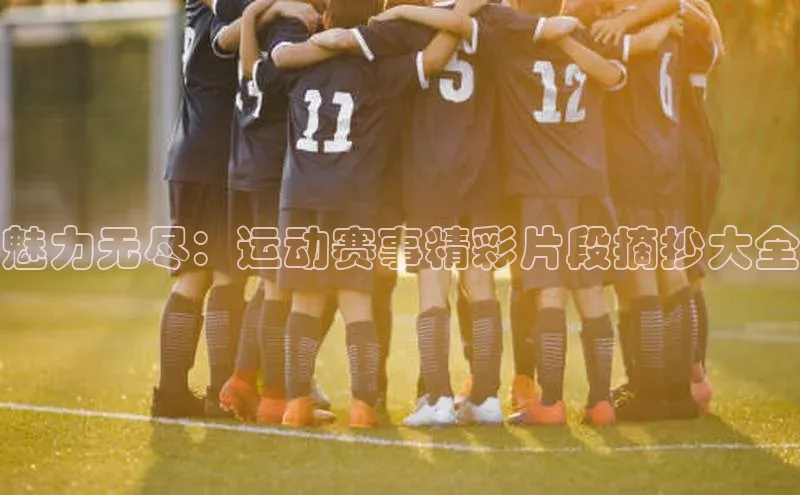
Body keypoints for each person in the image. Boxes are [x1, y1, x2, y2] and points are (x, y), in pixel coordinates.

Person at [240, 0, 468, 428]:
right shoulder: (378, 70)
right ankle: (363, 405)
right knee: (356, 301)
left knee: (304, 303)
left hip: (301, 199)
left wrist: (251, 18)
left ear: (326, 19)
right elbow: (434, 60)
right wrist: (448, 20)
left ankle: (296, 404)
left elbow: (252, 70)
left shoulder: (300, 64)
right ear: (370, 24)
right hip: (355, 200)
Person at [151, 0, 240, 419]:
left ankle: (171, 393)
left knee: (193, 275)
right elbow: (233, 34)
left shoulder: (196, 10)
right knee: (225, 275)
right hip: (217, 159)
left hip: (189, 158)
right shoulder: (220, 15)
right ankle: (222, 394)